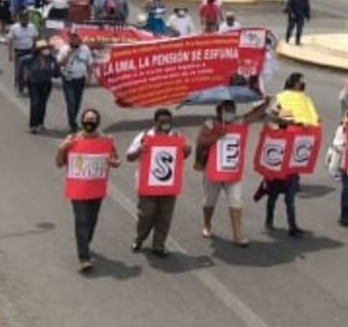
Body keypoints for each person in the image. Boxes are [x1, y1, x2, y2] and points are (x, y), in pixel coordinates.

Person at [196, 98, 270, 246]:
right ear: (219, 110)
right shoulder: (209, 124)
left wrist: (266, 103)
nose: (230, 113)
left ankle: (237, 235)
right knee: (209, 201)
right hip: (214, 170)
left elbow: (254, 115)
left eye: (232, 109)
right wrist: (217, 135)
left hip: (232, 171)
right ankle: (207, 224)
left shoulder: (239, 122)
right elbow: (201, 142)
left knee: (236, 202)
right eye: (227, 110)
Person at [56, 109, 121, 272]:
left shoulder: (106, 140)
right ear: (82, 121)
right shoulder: (73, 140)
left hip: (96, 188)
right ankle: (84, 257)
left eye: (93, 119)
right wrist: (61, 148)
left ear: (98, 122)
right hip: (78, 188)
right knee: (81, 220)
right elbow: (59, 163)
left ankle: (85, 242)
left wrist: (114, 162)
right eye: (87, 119)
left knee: (91, 220)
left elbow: (116, 159)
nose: (89, 122)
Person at [126, 108, 192, 256]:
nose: (165, 125)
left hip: (168, 184)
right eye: (162, 122)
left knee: (164, 216)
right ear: (155, 122)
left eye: (168, 122)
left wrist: (187, 149)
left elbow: (184, 155)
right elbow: (129, 157)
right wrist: (140, 151)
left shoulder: (176, 136)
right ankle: (140, 238)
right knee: (146, 214)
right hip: (147, 185)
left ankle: (159, 244)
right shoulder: (144, 137)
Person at [253, 109, 307, 238]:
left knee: (290, 200)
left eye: (289, 121)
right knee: (272, 199)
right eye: (285, 120)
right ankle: (269, 221)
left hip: (290, 174)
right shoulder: (274, 134)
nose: (287, 123)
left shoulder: (296, 133)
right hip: (275, 174)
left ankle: (292, 226)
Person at [57, 30, 93, 134]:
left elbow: (90, 64)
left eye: (75, 37)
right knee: (71, 103)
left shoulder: (85, 49)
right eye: (71, 37)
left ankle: (73, 119)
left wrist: (89, 78)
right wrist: (67, 56)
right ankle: (72, 124)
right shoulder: (64, 49)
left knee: (77, 103)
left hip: (80, 80)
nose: (73, 39)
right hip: (68, 80)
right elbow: (59, 63)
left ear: (79, 38)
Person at [24, 40, 58, 133]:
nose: (46, 50)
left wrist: (55, 67)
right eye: (43, 48)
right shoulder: (31, 58)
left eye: (46, 48)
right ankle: (33, 125)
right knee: (35, 104)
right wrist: (25, 76)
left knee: (42, 104)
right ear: (39, 50)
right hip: (34, 83)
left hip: (46, 84)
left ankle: (40, 123)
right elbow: (21, 62)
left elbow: (56, 72)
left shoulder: (51, 59)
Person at [7, 13, 39, 96]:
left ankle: (28, 87)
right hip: (19, 52)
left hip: (30, 51)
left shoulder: (32, 27)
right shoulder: (14, 28)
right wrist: (10, 54)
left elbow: (35, 39)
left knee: (30, 71)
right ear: (19, 19)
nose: (25, 21)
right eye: (23, 19)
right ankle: (20, 88)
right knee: (19, 70)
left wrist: (36, 51)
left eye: (26, 19)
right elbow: (10, 41)